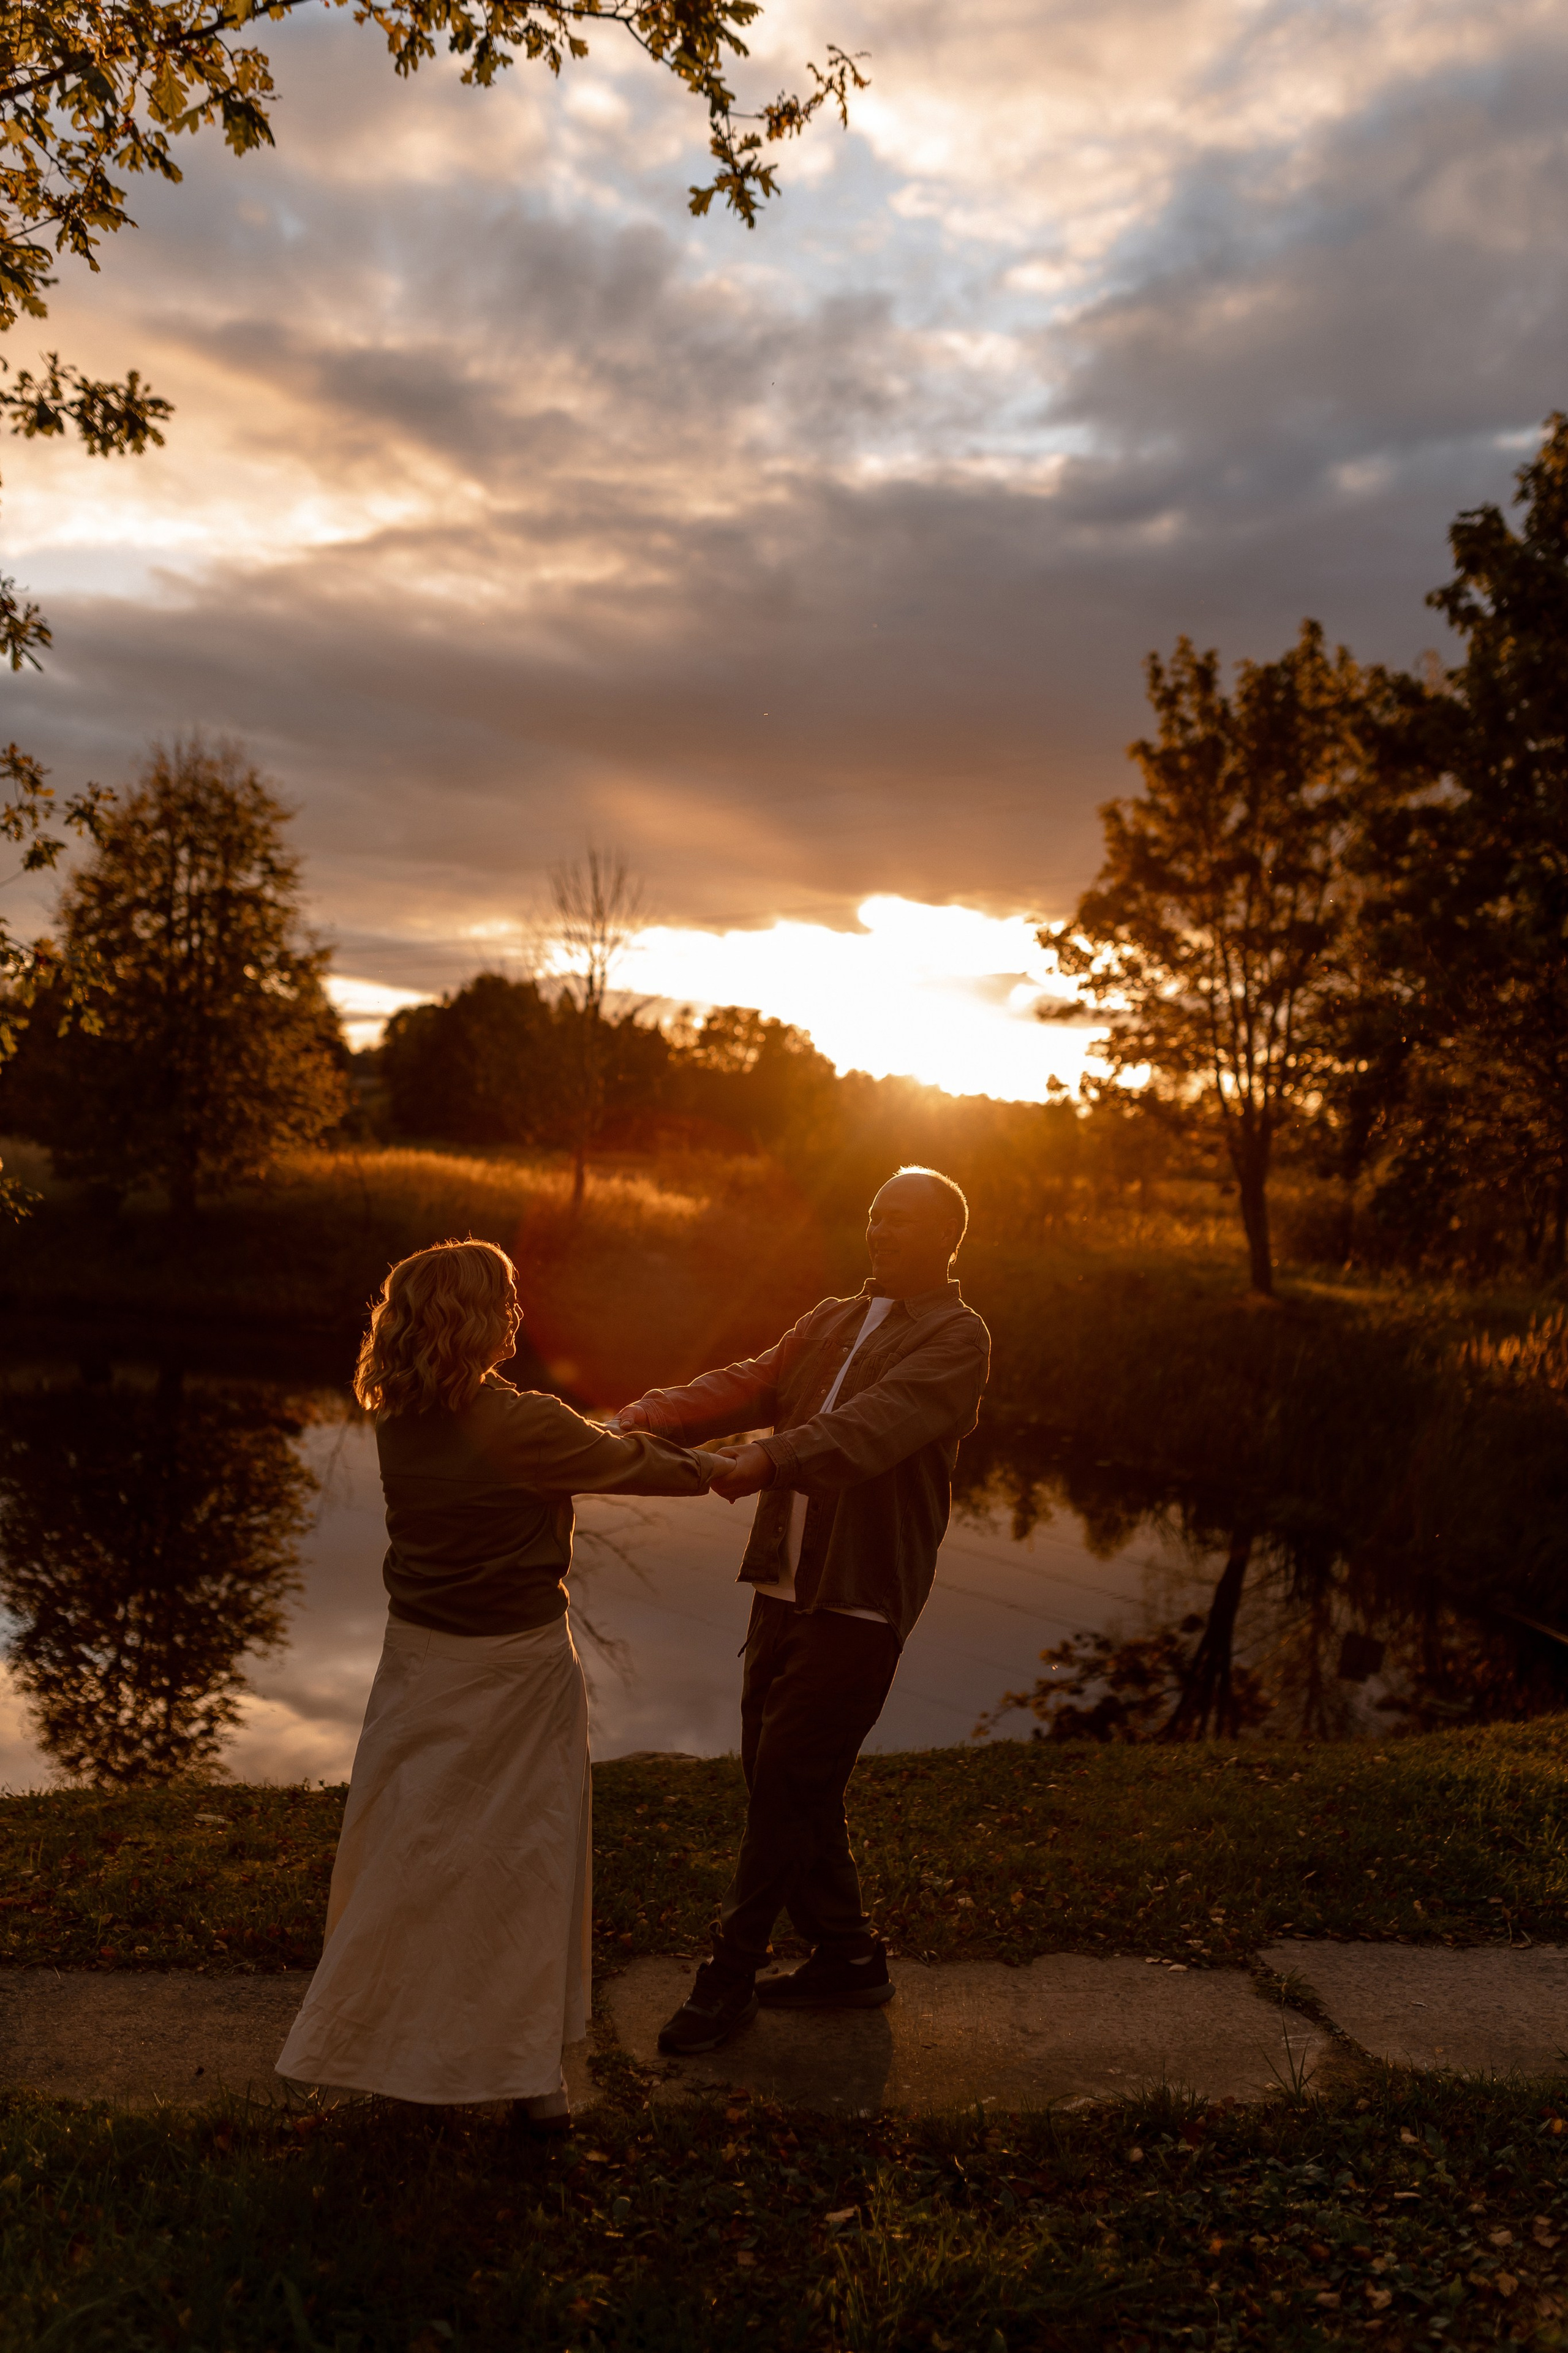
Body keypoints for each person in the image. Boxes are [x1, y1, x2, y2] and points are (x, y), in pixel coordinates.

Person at [276, 1237, 718, 2127]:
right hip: (515, 1672)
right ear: (476, 1316)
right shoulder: (523, 1423)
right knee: (524, 1868)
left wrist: (603, 1434)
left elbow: (575, 1447)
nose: (520, 1314)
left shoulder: (402, 1414)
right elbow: (634, 1467)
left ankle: (390, 2048)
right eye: (508, 1300)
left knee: (411, 1860)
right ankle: (527, 2079)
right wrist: (737, 1466)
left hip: (417, 1664)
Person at [613, 1164, 990, 2056]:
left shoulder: (958, 1337)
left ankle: (729, 1976)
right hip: (781, 1586)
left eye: (900, 1220)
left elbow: (872, 1426)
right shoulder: (829, 1317)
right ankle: (850, 1957)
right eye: (873, 1215)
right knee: (784, 1782)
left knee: (787, 1780)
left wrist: (768, 1461)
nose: (880, 1232)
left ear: (946, 1237)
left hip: (859, 1598)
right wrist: (647, 1416)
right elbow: (747, 1380)